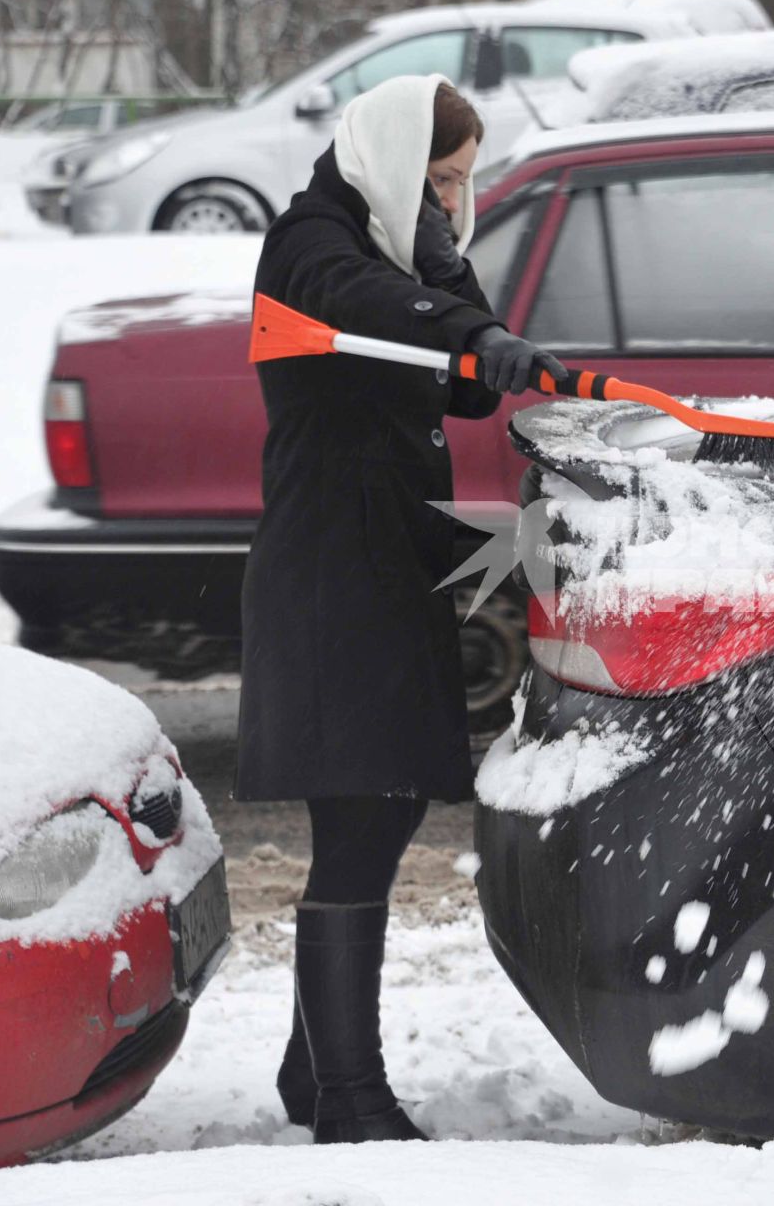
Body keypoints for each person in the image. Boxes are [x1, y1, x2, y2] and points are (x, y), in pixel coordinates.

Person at [234, 74, 561, 1144]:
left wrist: (454, 275)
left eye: (463, 187)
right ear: (389, 161)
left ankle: (309, 1069)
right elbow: (366, 303)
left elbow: (463, 384)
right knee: (360, 814)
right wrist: (451, 307)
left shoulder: (392, 244)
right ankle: (349, 1097)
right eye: (440, 184)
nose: (450, 202)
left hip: (384, 558)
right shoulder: (314, 242)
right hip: (332, 572)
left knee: (385, 807)